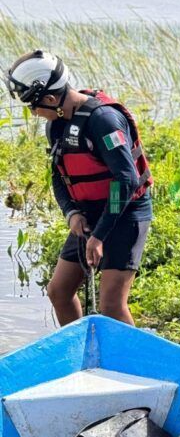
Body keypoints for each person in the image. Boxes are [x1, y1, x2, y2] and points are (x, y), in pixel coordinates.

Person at [4, 51, 152, 325]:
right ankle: (80, 355)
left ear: (50, 99)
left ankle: (133, 364)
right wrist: (72, 213)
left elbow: (127, 180)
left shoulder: (104, 121)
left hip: (125, 213)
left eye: (32, 106)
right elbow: (59, 176)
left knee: (111, 304)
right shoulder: (57, 126)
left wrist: (99, 236)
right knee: (59, 291)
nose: (33, 113)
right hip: (90, 214)